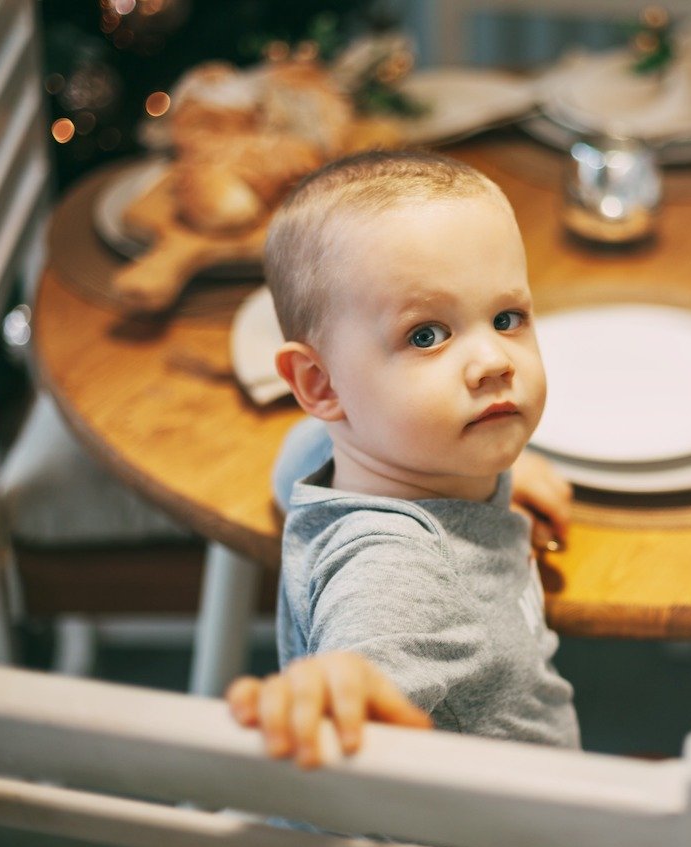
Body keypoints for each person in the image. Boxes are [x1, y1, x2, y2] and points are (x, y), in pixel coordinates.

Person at [226, 150, 581, 770]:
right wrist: (342, 681)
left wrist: (493, 464)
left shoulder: (341, 444)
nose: (494, 361)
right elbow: (370, 654)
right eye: (426, 335)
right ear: (321, 384)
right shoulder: (398, 573)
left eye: (507, 319)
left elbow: (291, 464)